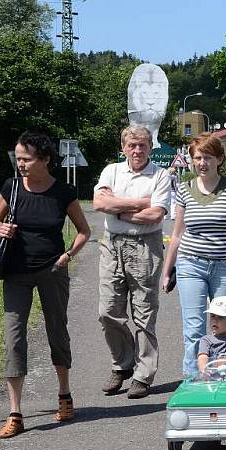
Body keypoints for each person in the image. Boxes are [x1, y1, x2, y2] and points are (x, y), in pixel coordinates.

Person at [0, 131, 91, 438]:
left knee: (57, 331)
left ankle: (64, 395)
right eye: (17, 158)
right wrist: (0, 227)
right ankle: (15, 413)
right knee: (13, 338)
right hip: (16, 273)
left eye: (26, 159)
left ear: (45, 159)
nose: (20, 164)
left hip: (52, 270)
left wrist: (68, 254)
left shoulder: (63, 192)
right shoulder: (12, 187)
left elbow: (84, 231)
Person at [161, 133, 226, 377]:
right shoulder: (184, 189)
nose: (202, 163)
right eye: (197, 158)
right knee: (193, 327)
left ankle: (225, 375)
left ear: (219, 159)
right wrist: (166, 270)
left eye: (208, 158)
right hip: (190, 264)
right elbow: (178, 234)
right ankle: (194, 379)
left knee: (224, 326)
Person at [94, 126, 171, 399]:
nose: (137, 151)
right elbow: (99, 202)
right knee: (107, 311)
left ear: (151, 147)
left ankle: (143, 374)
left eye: (142, 146)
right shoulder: (111, 171)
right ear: (124, 147)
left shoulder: (161, 176)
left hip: (145, 247)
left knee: (144, 314)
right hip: (112, 245)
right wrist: (139, 202)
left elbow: (155, 215)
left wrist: (120, 211)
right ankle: (123, 364)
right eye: (132, 146)